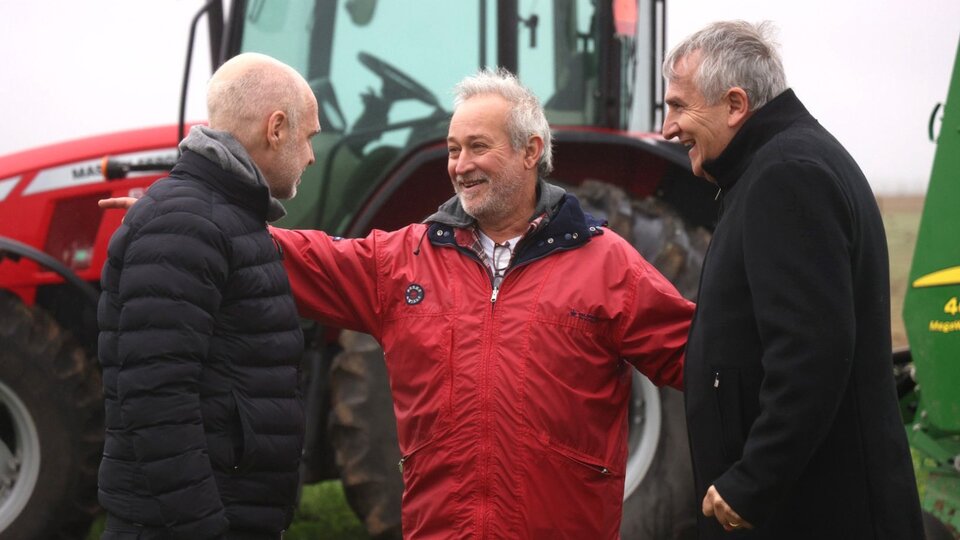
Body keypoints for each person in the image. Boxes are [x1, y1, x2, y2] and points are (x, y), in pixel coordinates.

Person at [270, 68, 695, 538]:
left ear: (530, 150)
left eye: (478, 147)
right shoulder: (405, 260)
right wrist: (203, 204)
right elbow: (296, 259)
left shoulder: (606, 263)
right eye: (453, 150)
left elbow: (706, 362)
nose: (460, 165)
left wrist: (754, 473)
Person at [661, 21, 924, 538]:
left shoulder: (786, 175)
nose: (669, 129)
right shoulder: (772, 166)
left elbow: (811, 352)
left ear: (735, 105)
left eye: (677, 106)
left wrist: (753, 482)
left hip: (813, 512)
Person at [97, 52, 320, 539]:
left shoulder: (223, 220)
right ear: (276, 128)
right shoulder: (186, 225)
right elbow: (157, 401)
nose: (311, 155)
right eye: (309, 136)